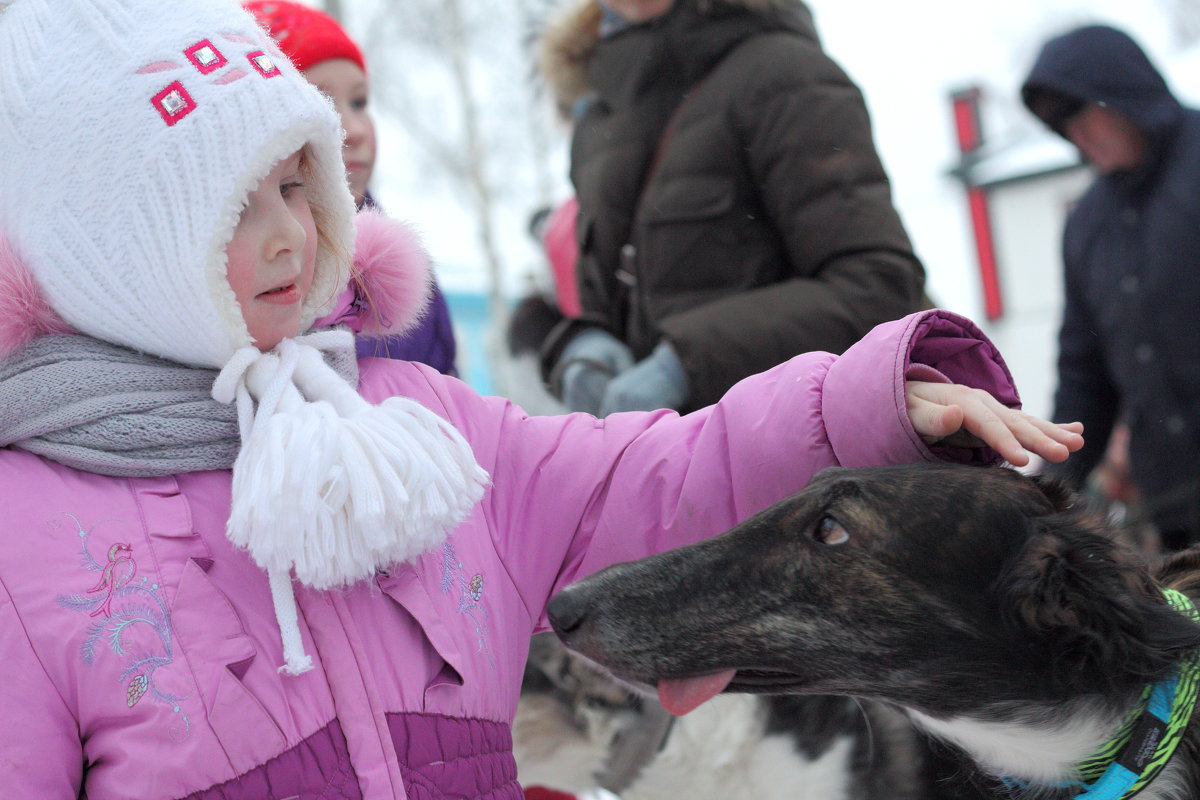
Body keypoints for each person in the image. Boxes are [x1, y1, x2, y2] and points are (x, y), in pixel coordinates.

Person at [0, 0, 1082, 797]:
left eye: (298, 183)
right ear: (113, 249)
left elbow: (662, 472)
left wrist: (873, 404)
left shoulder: (415, 425)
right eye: (232, 204)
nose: (290, 231)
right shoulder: (28, 527)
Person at [537, 0, 927, 417]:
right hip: (665, 468)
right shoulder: (599, 115)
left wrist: (685, 366)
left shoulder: (786, 75)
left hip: (796, 460)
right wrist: (582, 346)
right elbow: (605, 295)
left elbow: (878, 287)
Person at [1021, 24, 1200, 550]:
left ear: (1124, 95)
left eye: (1080, 112)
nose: (1077, 134)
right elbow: (1084, 373)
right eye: (1060, 125)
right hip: (1177, 513)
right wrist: (1047, 499)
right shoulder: (1088, 224)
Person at [244, 0, 459, 374]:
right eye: (321, 102)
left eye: (359, 101)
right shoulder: (245, 272)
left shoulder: (400, 266)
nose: (355, 130)